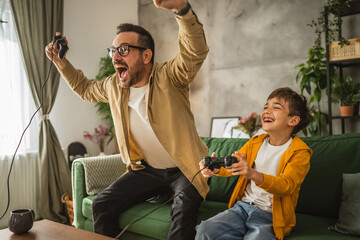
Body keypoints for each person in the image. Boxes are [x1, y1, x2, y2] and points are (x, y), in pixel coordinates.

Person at [45, 0, 209, 239]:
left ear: (146, 56)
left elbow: (194, 52)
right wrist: (61, 62)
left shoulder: (169, 77)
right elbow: (86, 89)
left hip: (187, 169)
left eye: (123, 50)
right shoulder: (114, 85)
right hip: (148, 170)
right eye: (113, 51)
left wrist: (182, 10)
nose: (115, 57)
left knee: (183, 211)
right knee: (102, 204)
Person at [196, 87, 313, 240]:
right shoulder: (255, 142)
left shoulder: (300, 152)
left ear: (293, 120)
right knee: (204, 230)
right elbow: (235, 166)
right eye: (266, 107)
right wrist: (216, 169)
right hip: (242, 208)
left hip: (270, 216)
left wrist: (252, 173)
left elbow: (286, 186)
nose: (267, 110)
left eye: (275, 107)